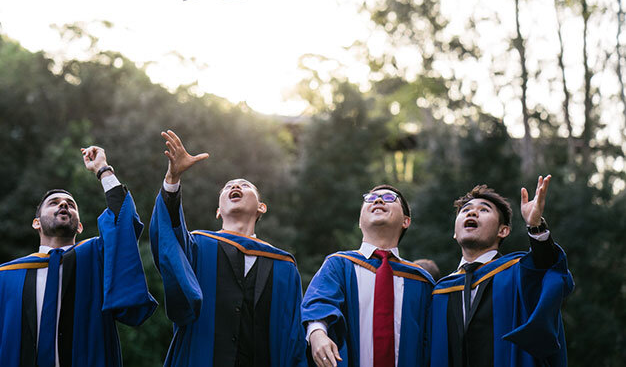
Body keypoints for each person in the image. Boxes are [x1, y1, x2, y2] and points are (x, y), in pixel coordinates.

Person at [0, 146, 157, 367]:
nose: (63, 204)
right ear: (36, 223)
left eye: (71, 205)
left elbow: (122, 224)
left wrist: (103, 169)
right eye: (54, 203)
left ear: (80, 226)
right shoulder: (5, 277)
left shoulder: (95, 258)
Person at [150, 130, 307, 367]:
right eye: (228, 187)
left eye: (245, 185)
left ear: (261, 207)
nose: (235, 186)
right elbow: (168, 239)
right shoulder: (198, 247)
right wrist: (172, 180)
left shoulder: (283, 266)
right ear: (218, 211)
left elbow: (293, 336)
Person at [429, 175, 574, 367]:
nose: (472, 213)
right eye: (466, 210)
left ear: (503, 231)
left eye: (483, 210)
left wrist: (535, 226)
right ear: (455, 233)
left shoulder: (517, 273)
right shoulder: (441, 291)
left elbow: (547, 269)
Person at [301, 184, 434, 367]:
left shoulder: (421, 281)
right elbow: (319, 303)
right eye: (370, 199)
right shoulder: (339, 265)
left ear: (406, 221)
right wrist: (317, 333)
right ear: (360, 220)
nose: (378, 200)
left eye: (388, 198)